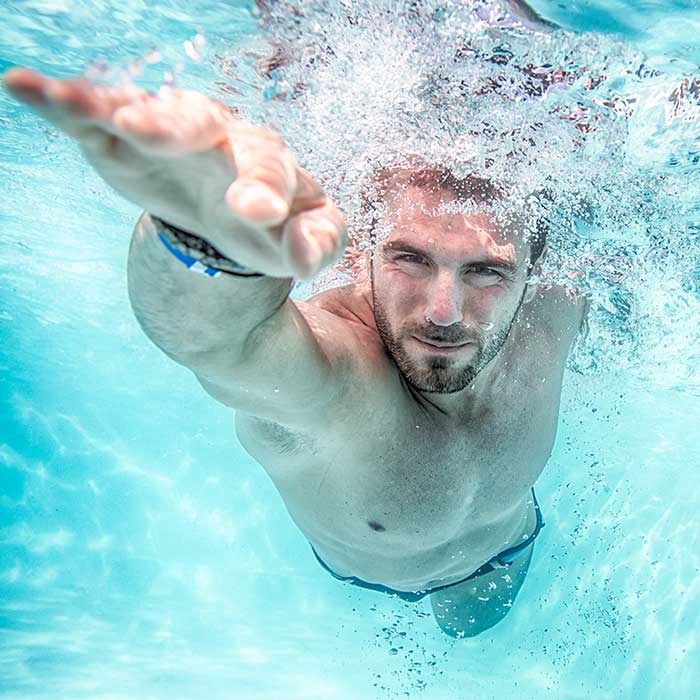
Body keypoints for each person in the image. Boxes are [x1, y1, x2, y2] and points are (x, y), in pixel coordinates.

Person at [3, 67, 586, 638]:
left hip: (508, 548)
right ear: (362, 255)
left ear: (532, 275)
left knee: (471, 632)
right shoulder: (337, 373)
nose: (444, 311)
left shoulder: (554, 311)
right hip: (370, 574)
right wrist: (205, 235)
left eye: (486, 272)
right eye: (410, 259)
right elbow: (221, 342)